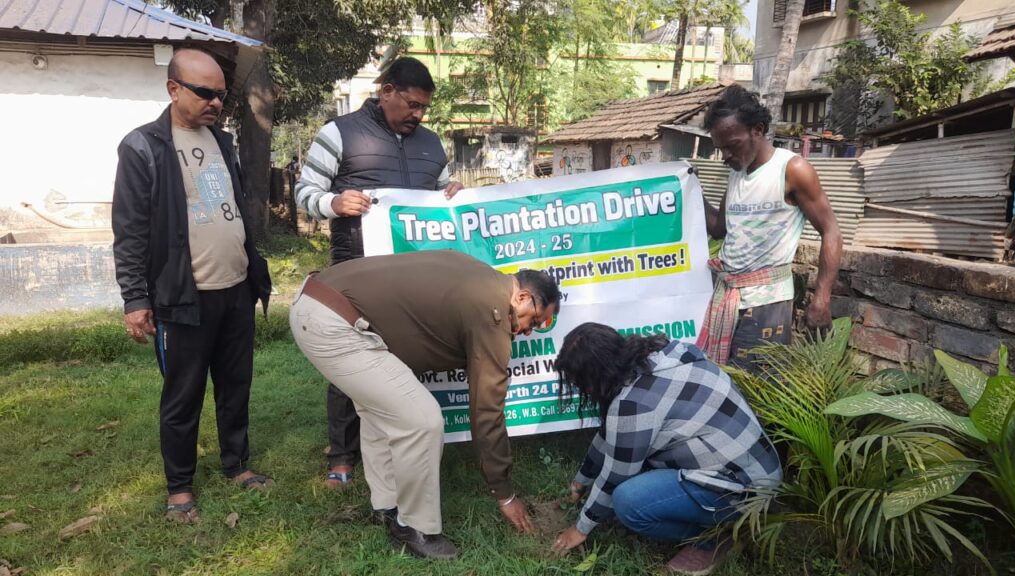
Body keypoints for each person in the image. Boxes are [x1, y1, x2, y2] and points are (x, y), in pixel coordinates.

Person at [289, 250, 560, 559]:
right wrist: (505, 494)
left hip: (318, 300)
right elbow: (487, 410)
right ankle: (415, 529)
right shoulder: (493, 310)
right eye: (535, 320)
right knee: (423, 420)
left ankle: (386, 507)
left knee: (383, 413)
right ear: (522, 297)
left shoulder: (483, 277)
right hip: (331, 322)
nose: (528, 330)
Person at [111, 48, 273, 524]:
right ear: (173, 88)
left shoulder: (222, 143)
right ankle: (180, 488)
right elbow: (131, 229)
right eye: (205, 92)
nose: (216, 103)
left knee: (235, 384)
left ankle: (236, 464)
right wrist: (135, 298)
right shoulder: (143, 147)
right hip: (183, 298)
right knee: (182, 396)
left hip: (236, 288)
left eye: (221, 95)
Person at [295, 56, 463, 488]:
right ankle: (343, 455)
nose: (417, 115)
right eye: (410, 104)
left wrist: (453, 193)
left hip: (413, 274)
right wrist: (333, 203)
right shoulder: (339, 133)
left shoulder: (431, 143)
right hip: (356, 271)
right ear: (385, 90)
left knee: (409, 353)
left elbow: (443, 190)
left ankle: (407, 439)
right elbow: (304, 191)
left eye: (424, 108)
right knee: (353, 359)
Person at [550, 323, 781, 575]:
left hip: (745, 494)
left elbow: (615, 476)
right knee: (635, 472)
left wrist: (580, 528)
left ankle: (719, 535)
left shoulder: (632, 405)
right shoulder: (667, 354)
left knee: (628, 502)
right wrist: (581, 481)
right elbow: (611, 434)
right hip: (760, 469)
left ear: (595, 376)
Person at [698, 85, 842, 370]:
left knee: (757, 392)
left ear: (758, 130)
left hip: (767, 306)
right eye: (720, 148)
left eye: (732, 145)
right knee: (728, 388)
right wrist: (689, 191)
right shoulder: (737, 173)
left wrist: (822, 298)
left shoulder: (791, 169)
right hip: (729, 299)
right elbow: (720, 229)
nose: (725, 155)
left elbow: (831, 231)